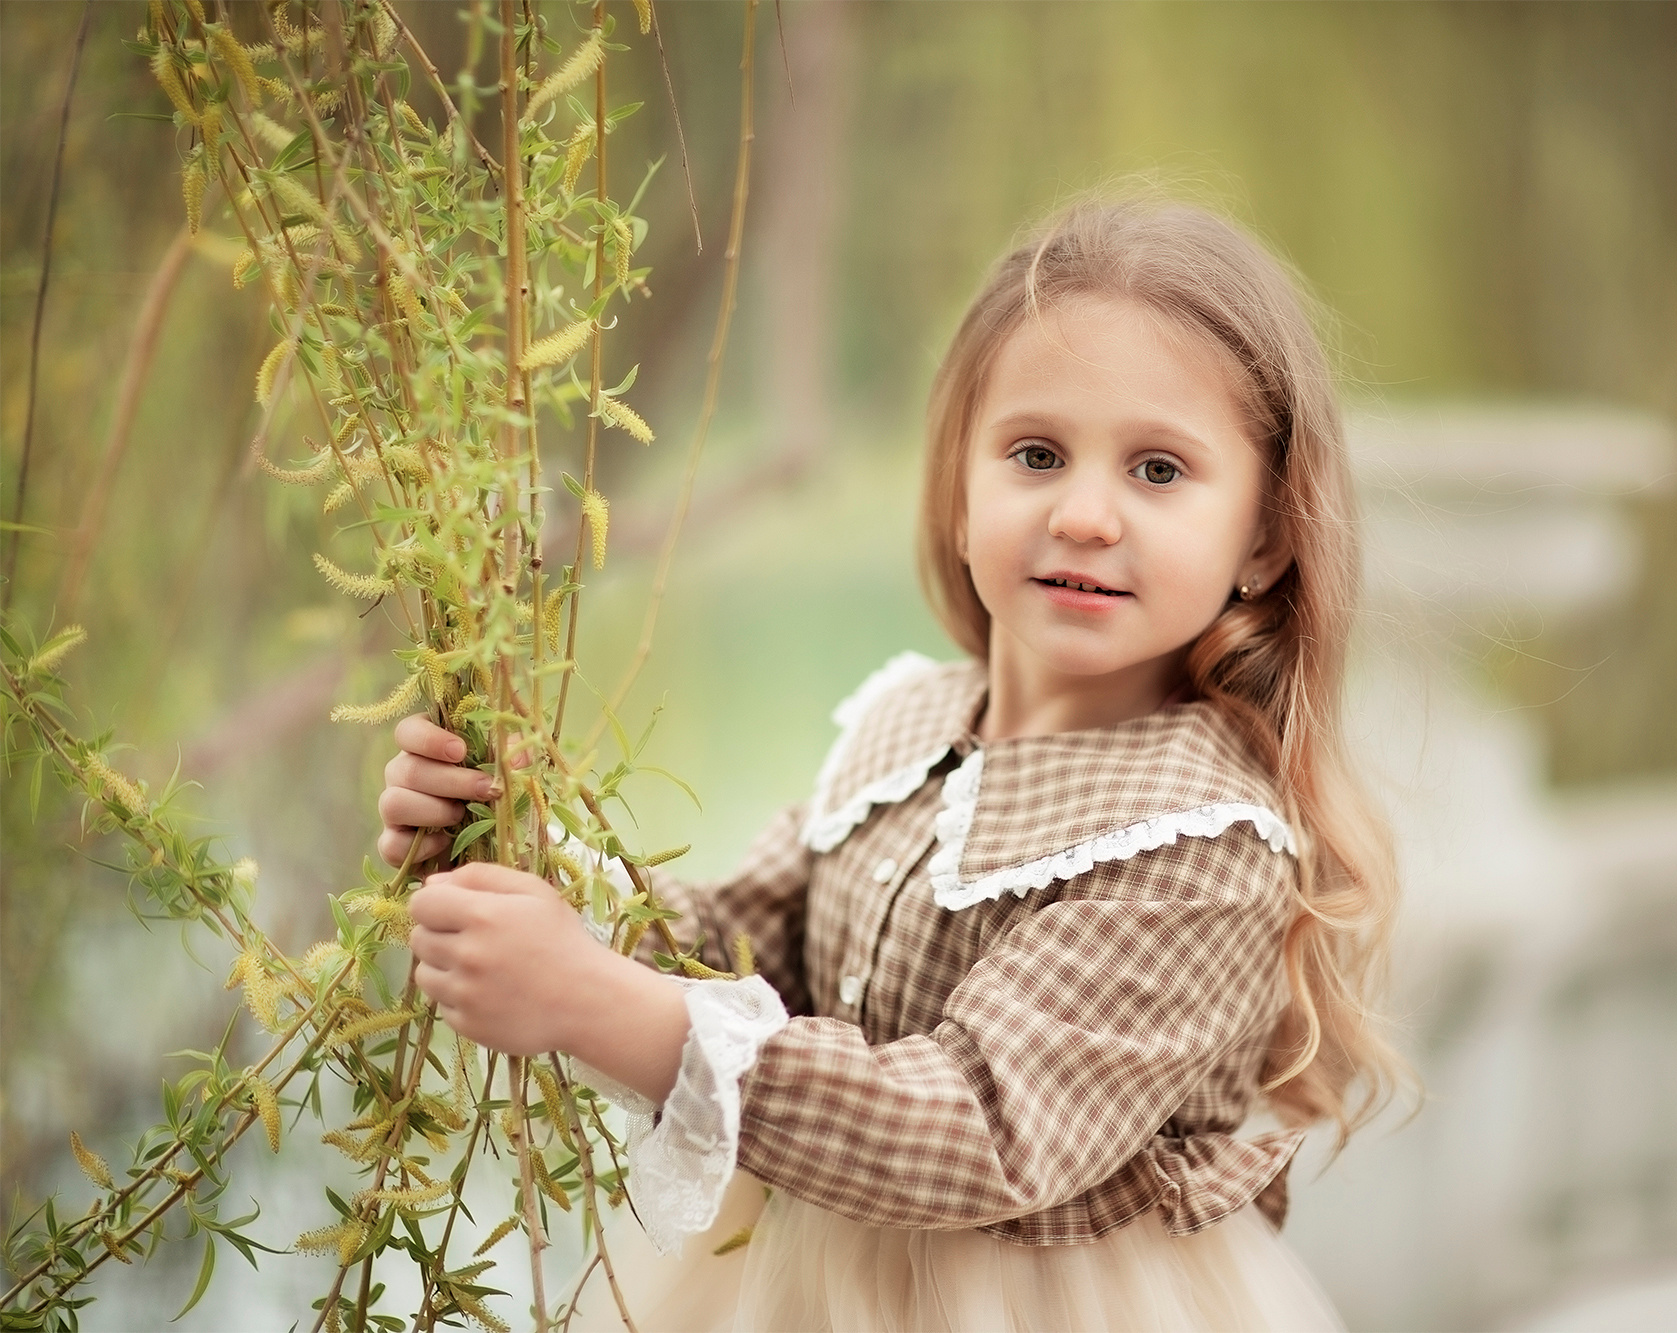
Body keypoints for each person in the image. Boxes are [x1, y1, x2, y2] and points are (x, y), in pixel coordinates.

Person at [379, 193, 1404, 1331]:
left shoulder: (1202, 844)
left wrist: (600, 1004)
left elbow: (979, 1126)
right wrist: (522, 858)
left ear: (1265, 535)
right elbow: (745, 947)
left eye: (1158, 470)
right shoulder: (904, 725)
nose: (1084, 514)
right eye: (1035, 454)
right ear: (960, 492)